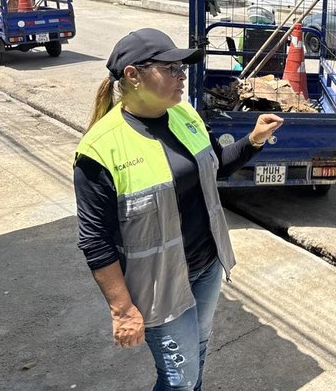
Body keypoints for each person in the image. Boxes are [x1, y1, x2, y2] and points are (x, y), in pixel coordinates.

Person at [74, 28, 283, 391]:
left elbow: (216, 163)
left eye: (181, 67)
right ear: (133, 75)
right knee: (179, 379)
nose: (181, 75)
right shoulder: (99, 150)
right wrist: (122, 310)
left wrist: (253, 141)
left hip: (206, 267)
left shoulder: (185, 115)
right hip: (160, 285)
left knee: (197, 355)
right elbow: (95, 240)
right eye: (170, 68)